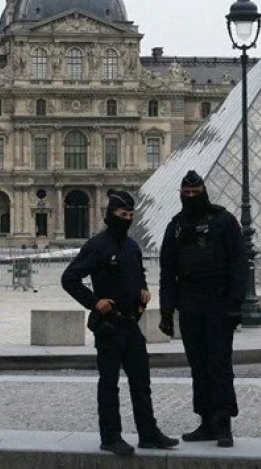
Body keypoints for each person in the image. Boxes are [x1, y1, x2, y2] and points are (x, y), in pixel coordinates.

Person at [61, 190, 178, 456]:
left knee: (141, 382)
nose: (127, 219)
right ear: (110, 215)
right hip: (109, 325)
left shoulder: (133, 246)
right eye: (122, 215)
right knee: (109, 383)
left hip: (130, 324)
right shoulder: (97, 245)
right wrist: (93, 302)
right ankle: (110, 436)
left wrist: (144, 291)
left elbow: (138, 275)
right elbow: (69, 278)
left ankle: (148, 433)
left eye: (130, 215)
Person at [158, 170, 246, 448]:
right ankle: (206, 421)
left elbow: (239, 265)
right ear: (182, 195)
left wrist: (235, 304)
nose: (192, 197)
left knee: (219, 363)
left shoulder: (224, 220)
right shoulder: (175, 226)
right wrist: (166, 312)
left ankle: (223, 423)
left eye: (196, 193)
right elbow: (167, 271)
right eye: (187, 194)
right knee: (198, 364)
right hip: (190, 302)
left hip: (218, 302)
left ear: (204, 192)